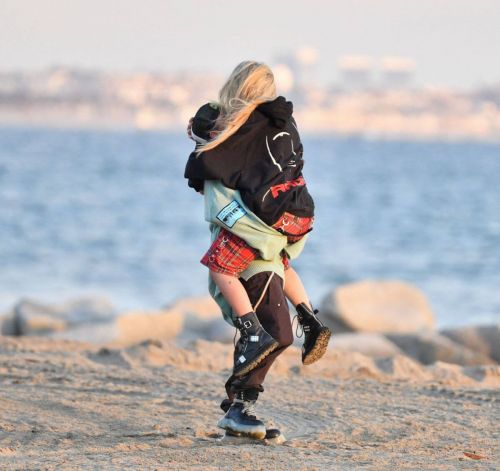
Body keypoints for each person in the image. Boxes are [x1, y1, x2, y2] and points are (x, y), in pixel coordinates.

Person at [185, 61, 331, 438]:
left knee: (234, 285)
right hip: (289, 222)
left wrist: (202, 139)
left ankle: (240, 397)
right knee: (279, 309)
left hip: (255, 229)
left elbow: (213, 160)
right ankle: (307, 321)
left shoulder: (235, 127)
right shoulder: (281, 122)